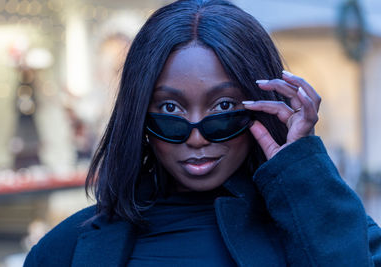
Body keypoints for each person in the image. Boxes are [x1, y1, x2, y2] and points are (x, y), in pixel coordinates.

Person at [24, 0, 381, 266]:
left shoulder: (323, 224)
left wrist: (302, 169)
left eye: (224, 107)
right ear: (138, 114)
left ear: (264, 104)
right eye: (170, 109)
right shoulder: (64, 249)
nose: (197, 138)